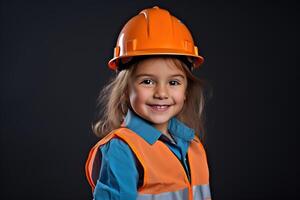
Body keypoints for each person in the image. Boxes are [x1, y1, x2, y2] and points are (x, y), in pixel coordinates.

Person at [85, 6, 212, 200]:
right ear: (126, 89)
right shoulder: (121, 150)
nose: (161, 93)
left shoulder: (192, 145)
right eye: (147, 81)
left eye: (173, 82)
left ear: (186, 91)